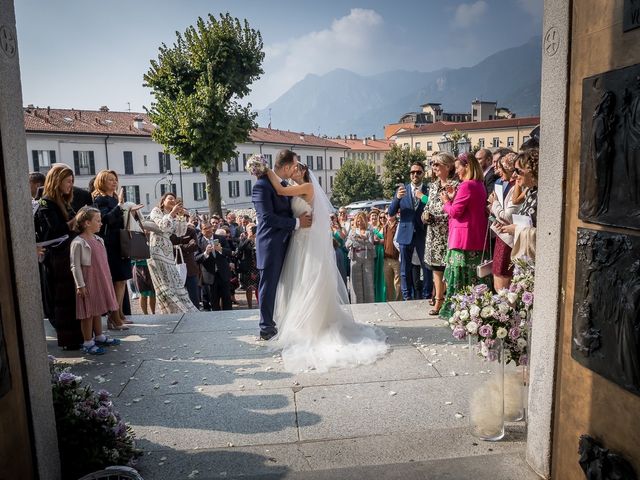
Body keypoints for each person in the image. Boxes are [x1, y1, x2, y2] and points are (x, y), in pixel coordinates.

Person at [257, 158, 388, 373]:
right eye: (291, 167)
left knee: (309, 279)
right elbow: (281, 189)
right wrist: (264, 170)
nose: (292, 171)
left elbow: (280, 192)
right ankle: (299, 321)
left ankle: (313, 323)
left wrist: (264, 168)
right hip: (297, 240)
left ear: (302, 172)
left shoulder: (306, 187)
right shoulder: (292, 186)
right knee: (298, 281)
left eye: (295, 168)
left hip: (306, 239)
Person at [252, 149, 312, 340]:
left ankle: (287, 320)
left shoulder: (284, 185)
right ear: (286, 167)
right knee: (268, 287)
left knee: (288, 286)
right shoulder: (261, 186)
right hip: (271, 244)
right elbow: (267, 218)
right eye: (294, 165)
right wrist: (296, 223)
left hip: (290, 243)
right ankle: (266, 327)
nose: (296, 168)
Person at [33, 164, 83, 349]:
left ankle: (77, 337)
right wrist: (74, 221)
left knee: (71, 298)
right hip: (56, 258)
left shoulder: (62, 201)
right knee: (62, 300)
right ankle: (69, 340)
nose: (71, 185)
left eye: (72, 181)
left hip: (66, 254)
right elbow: (54, 229)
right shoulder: (46, 202)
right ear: (57, 181)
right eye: (68, 181)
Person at [439, 152, 489, 318]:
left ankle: (457, 312)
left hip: (462, 241)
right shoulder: (479, 184)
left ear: (467, 166)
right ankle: (473, 311)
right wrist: (454, 197)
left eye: (458, 167)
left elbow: (455, 212)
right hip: (476, 238)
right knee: (473, 279)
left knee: (459, 280)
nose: (457, 171)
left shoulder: (467, 185)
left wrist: (446, 201)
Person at [92, 170, 143, 329]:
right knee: (117, 280)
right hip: (111, 244)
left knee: (121, 281)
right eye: (110, 180)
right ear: (102, 182)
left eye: (115, 180)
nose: (114, 183)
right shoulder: (100, 199)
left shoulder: (113, 198)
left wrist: (129, 211)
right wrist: (121, 206)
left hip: (121, 242)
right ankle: (114, 317)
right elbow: (105, 220)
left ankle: (119, 314)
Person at [70, 207, 121, 355]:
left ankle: (99, 336)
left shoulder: (99, 240)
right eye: (97, 221)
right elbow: (75, 265)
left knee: (97, 309)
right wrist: (80, 284)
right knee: (88, 312)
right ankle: (88, 341)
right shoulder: (78, 242)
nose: (101, 223)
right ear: (87, 223)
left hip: (100, 279)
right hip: (87, 280)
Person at [418, 152, 458, 315]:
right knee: (435, 268)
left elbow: (454, 210)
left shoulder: (455, 185)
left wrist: (437, 218)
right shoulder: (433, 185)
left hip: (447, 233)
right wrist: (425, 215)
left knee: (447, 268)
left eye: (437, 164)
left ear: (447, 167)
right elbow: (428, 206)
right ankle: (438, 300)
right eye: (432, 164)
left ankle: (448, 300)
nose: (433, 167)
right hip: (432, 234)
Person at [388, 160, 433, 300]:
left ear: (423, 174)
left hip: (422, 233)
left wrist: (423, 198)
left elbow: (435, 205)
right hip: (405, 234)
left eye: (418, 172)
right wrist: (396, 198)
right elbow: (390, 212)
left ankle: (426, 295)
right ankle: (407, 296)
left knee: (427, 268)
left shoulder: (429, 190)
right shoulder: (402, 190)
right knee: (404, 269)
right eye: (412, 172)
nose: (415, 175)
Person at [148, 193, 199, 313]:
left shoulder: (174, 216)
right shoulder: (156, 211)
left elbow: (181, 232)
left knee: (174, 281)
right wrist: (171, 214)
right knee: (164, 282)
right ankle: (167, 309)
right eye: (170, 198)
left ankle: (178, 308)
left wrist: (181, 217)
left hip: (168, 252)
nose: (172, 201)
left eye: (174, 199)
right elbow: (163, 226)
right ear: (163, 201)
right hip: (157, 249)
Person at [497, 149, 539, 261]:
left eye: (518, 171)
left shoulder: (543, 196)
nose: (514, 175)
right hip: (524, 257)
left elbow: (547, 235)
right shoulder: (531, 191)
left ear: (532, 171)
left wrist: (517, 230)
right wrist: (509, 225)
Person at [488, 152, 519, 291]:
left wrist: (494, 204)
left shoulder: (516, 188)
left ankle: (506, 311)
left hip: (508, 239)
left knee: (503, 281)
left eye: (500, 168)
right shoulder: (506, 184)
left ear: (508, 168)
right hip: (502, 236)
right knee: (498, 278)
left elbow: (508, 216)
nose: (498, 171)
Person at [346, 211, 376, 304]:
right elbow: (347, 244)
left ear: (365, 221)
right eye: (358, 221)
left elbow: (371, 245)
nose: (360, 223)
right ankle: (356, 303)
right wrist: (352, 242)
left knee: (368, 281)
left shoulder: (369, 231)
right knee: (356, 282)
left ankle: (369, 302)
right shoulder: (352, 231)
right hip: (355, 257)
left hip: (368, 258)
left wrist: (362, 239)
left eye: (361, 221)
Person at [235, 224, 260, 309]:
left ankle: (260, 303)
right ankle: (250, 306)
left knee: (259, 286)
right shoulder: (244, 239)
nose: (253, 230)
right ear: (246, 231)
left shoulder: (259, 238)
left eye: (254, 228)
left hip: (258, 266)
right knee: (249, 288)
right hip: (248, 266)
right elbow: (240, 249)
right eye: (250, 229)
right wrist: (248, 239)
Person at [382, 211, 401, 301]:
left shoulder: (398, 225)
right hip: (386, 259)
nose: (388, 215)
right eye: (386, 214)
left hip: (396, 259)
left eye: (390, 213)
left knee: (398, 283)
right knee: (388, 283)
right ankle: (390, 301)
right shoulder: (385, 227)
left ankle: (398, 302)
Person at [368, 208, 386, 302]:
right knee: (373, 274)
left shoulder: (383, 227)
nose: (374, 219)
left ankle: (382, 295)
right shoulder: (369, 228)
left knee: (381, 274)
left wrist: (379, 241)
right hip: (372, 252)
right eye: (372, 217)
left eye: (376, 217)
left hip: (381, 251)